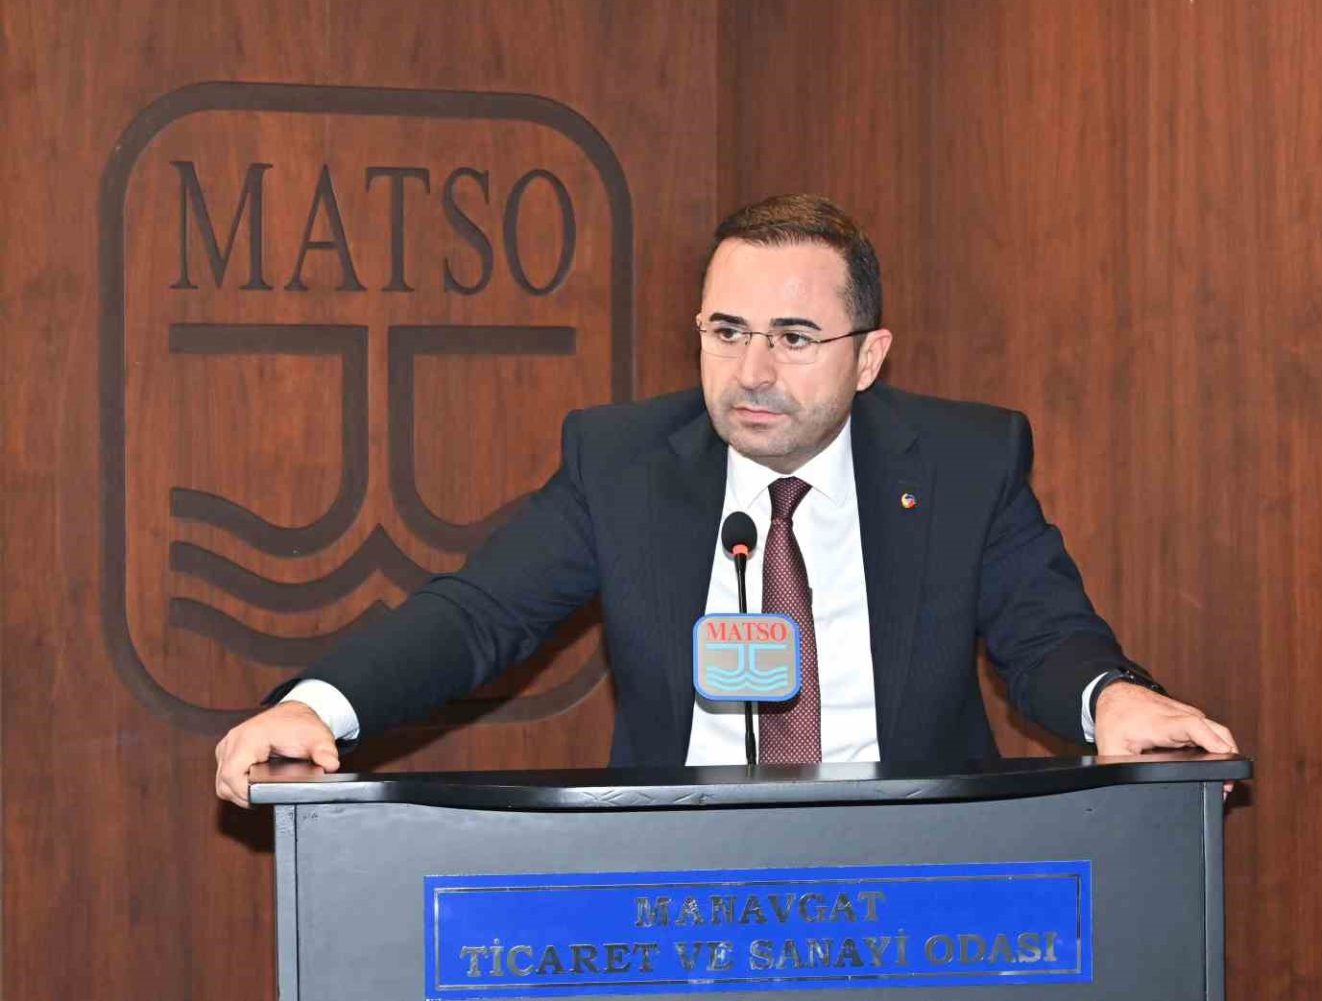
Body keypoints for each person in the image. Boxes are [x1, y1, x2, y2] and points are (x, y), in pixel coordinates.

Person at [215, 194, 1237, 807]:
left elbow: (1042, 629)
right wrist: (315, 706)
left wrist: (1113, 699)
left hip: (916, 869)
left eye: (793, 338)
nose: (751, 370)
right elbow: (479, 614)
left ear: (869, 357)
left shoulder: (965, 461)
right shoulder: (622, 463)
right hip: (679, 881)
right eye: (726, 331)